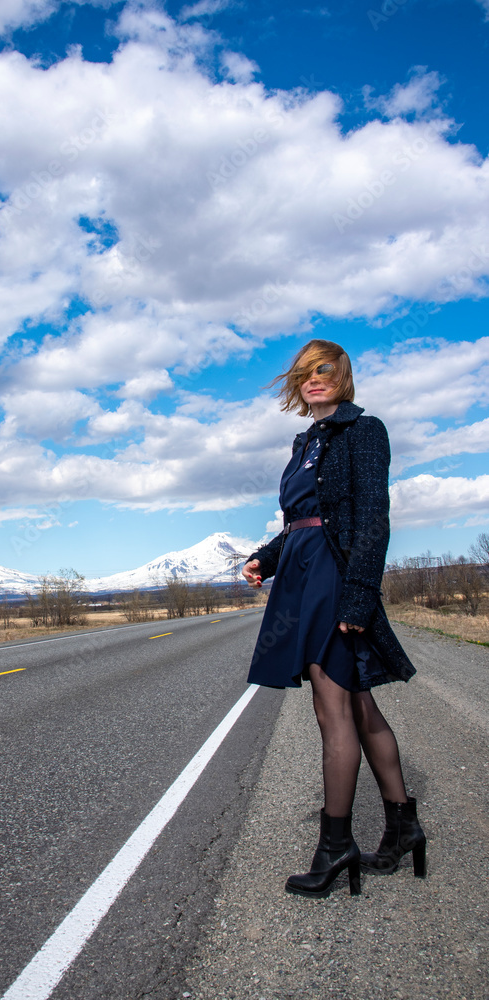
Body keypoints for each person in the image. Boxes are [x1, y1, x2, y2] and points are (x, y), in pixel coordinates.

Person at [242, 339, 426, 899]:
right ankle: (403, 827)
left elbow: (373, 517)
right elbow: (301, 519)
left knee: (332, 707)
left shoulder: (363, 432)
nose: (313, 378)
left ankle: (335, 844)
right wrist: (265, 560)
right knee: (357, 701)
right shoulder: (304, 443)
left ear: (342, 376)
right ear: (295, 385)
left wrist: (359, 596)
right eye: (303, 372)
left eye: (324, 370)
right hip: (300, 573)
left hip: (334, 576)